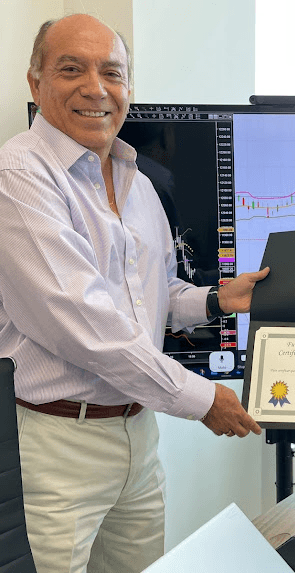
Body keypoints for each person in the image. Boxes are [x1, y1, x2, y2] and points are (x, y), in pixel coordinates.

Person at [0, 13, 269, 573]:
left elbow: (153, 293)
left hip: (139, 433)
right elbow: (82, 322)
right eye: (71, 69)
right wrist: (201, 399)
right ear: (35, 83)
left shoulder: (138, 182)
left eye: (112, 73)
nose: (96, 88)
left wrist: (216, 300)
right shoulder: (19, 173)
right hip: (57, 441)